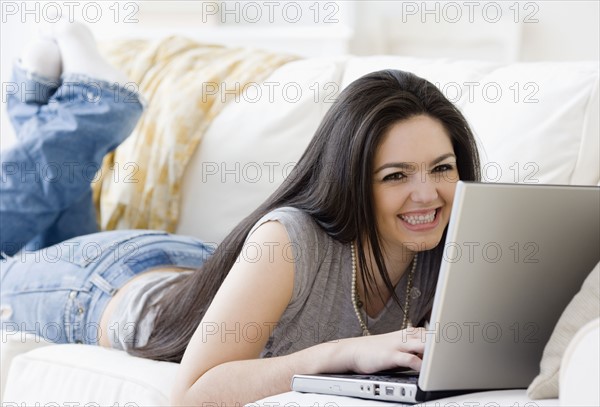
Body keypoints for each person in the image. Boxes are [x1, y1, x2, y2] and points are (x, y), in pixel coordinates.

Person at [0, 23, 480, 405]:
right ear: (351, 179)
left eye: (441, 168)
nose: (428, 194)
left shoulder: (458, 236)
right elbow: (192, 395)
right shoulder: (290, 238)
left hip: (194, 268)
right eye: (396, 176)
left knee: (44, 223)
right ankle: (98, 107)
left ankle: (41, 111)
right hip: (100, 288)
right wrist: (344, 353)